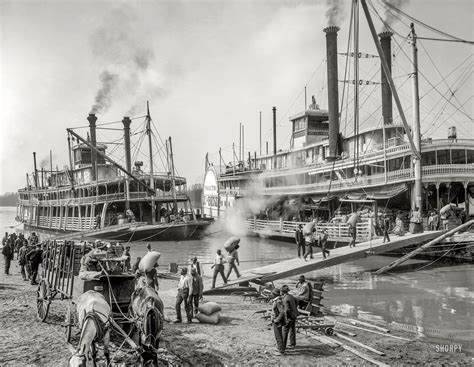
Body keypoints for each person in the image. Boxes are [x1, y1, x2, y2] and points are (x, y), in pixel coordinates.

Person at [281, 285, 298, 350]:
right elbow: (297, 301)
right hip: (294, 315)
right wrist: (294, 308)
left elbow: (287, 310)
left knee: (285, 330)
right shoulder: (291, 296)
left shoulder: (285, 299)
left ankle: (283, 346)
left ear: (283, 292)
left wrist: (286, 318)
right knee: (292, 329)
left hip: (289, 316)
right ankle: (293, 344)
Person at [270, 288, 286, 356]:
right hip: (276, 320)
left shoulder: (278, 301)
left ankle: (281, 351)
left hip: (277, 321)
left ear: (274, 294)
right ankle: (279, 347)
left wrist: (277, 320)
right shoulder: (276, 300)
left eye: (272, 294)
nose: (271, 295)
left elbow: (282, 312)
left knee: (278, 336)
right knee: (278, 335)